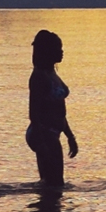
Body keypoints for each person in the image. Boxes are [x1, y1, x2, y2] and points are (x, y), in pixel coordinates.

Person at [26, 30, 77, 189]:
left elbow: (59, 110)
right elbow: (34, 113)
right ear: (47, 51)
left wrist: (69, 135)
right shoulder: (39, 77)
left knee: (51, 183)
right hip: (43, 132)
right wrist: (42, 143)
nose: (61, 52)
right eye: (57, 48)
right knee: (55, 184)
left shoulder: (52, 72)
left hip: (53, 132)